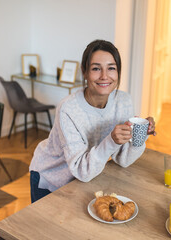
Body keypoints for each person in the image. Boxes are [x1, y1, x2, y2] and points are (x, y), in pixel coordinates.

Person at [29, 39, 156, 203]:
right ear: (85, 72)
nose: (104, 76)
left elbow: (123, 160)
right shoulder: (69, 108)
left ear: (118, 72)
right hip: (52, 177)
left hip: (85, 178)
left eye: (111, 68)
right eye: (96, 68)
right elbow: (82, 171)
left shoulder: (124, 101)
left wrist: (141, 135)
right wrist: (111, 141)